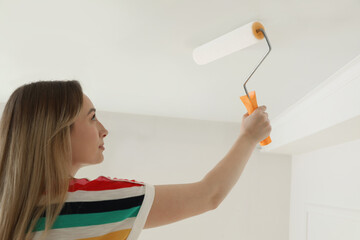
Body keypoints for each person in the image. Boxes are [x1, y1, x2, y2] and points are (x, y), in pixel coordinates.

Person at [0, 80, 271, 240]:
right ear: (57, 132)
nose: (103, 129)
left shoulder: (9, 208)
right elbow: (208, 195)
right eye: (92, 117)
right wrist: (248, 138)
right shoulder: (93, 203)